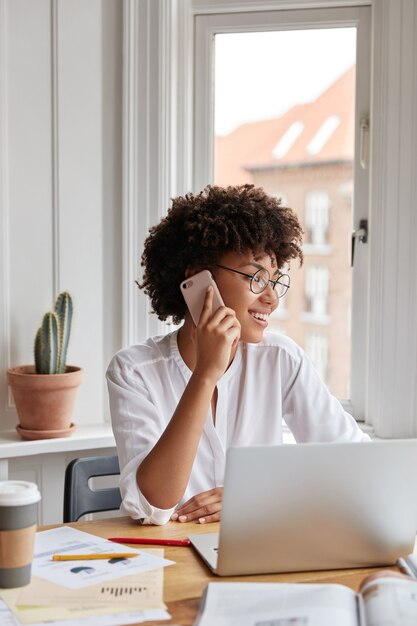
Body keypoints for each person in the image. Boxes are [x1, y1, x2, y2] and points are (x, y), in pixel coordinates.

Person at [107, 184, 369, 526]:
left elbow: (355, 462)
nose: (272, 299)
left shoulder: (281, 359)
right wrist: (206, 373)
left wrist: (256, 494)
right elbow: (152, 506)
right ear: (199, 279)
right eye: (256, 277)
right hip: (167, 558)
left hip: (256, 551)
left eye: (275, 280)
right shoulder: (134, 371)